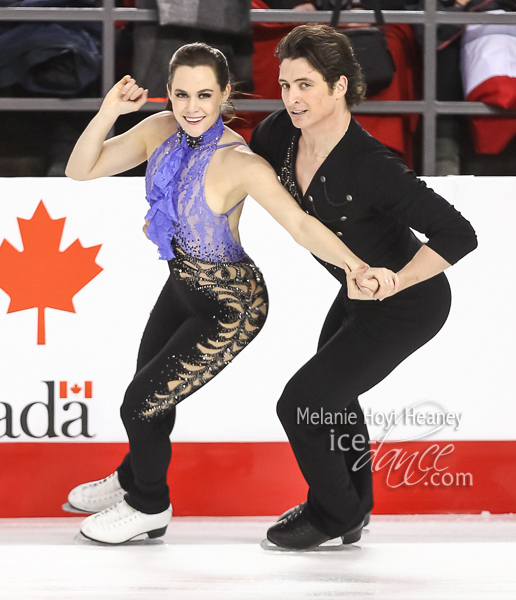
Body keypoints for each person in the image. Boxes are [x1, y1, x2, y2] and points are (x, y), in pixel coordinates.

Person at [64, 42, 393, 545]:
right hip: (183, 287)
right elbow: (80, 169)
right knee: (152, 391)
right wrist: (109, 110)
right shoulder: (158, 130)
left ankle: (148, 505)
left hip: (231, 306)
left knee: (140, 404)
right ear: (168, 95)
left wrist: (355, 264)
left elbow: (300, 226)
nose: (191, 107)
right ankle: (134, 477)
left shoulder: (240, 161)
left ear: (224, 95)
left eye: (203, 95)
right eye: (180, 95)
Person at [249, 24, 478, 551]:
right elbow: (239, 169)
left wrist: (399, 279)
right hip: (354, 293)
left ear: (340, 87)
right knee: (332, 396)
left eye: (305, 85)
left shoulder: (373, 165)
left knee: (302, 403)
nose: (291, 98)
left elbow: (458, 233)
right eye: (285, 85)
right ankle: (352, 508)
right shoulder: (277, 135)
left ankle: (333, 514)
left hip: (408, 304)